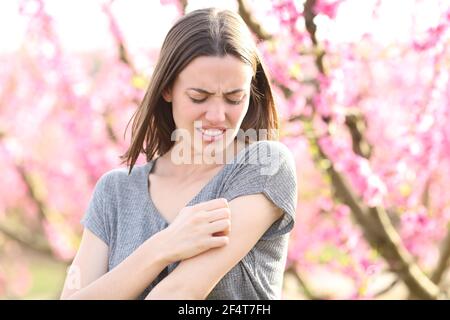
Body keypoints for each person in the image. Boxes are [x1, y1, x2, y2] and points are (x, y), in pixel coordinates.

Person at [60, 7, 297, 300]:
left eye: (235, 98)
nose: (217, 115)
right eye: (199, 97)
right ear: (167, 88)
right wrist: (162, 247)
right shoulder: (115, 192)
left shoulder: (265, 167)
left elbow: (179, 292)